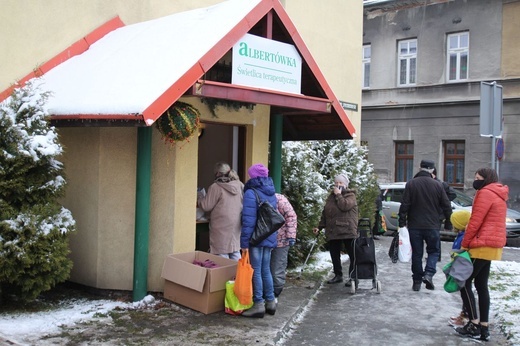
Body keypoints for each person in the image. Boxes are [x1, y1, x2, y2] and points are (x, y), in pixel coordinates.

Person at [456, 168, 508, 342]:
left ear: (486, 179)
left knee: (464, 282)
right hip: (492, 246)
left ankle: (474, 323)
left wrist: (464, 244)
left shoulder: (484, 193)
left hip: (481, 244)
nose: (475, 181)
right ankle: (484, 328)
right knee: (481, 285)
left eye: (477, 178)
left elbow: (475, 222)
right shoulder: (498, 194)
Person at [398, 159, 453, 291]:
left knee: (417, 253)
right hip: (433, 225)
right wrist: (448, 223)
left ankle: (417, 281)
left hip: (414, 225)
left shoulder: (411, 184)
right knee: (434, 251)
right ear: (432, 170)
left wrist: (401, 222)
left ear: (419, 167)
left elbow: (404, 204)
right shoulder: (438, 185)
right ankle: (429, 273)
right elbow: (447, 206)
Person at [240, 163, 278, 318]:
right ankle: (270, 302)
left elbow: (248, 221)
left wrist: (244, 243)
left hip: (256, 237)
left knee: (255, 270)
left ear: (253, 176)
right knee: (265, 269)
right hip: (268, 236)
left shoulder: (251, 192)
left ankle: (258, 304)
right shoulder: (271, 192)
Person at [313, 173, 358, 286]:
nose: (338, 185)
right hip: (334, 229)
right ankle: (338, 275)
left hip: (347, 229)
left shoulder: (350, 196)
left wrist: (338, 195)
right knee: (334, 253)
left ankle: (353, 277)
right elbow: (326, 212)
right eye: (336, 183)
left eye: (341, 183)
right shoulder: (331, 197)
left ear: (346, 185)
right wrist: (319, 227)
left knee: (352, 254)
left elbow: (345, 206)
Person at [197, 162, 243, 260]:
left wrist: (200, 198)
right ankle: (237, 275)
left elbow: (206, 206)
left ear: (217, 173)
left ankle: (224, 275)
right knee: (235, 251)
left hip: (221, 225)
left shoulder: (216, 187)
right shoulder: (239, 185)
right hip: (236, 224)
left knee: (221, 255)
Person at [270, 193, 297, 300]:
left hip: (281, 240)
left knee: (277, 267)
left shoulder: (279, 198)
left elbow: (291, 216)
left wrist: (290, 236)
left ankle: (276, 291)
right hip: (268, 239)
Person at [447, 209, 471, 327]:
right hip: (461, 266)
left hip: (463, 268)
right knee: (464, 291)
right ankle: (464, 314)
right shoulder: (462, 235)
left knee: (465, 291)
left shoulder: (464, 237)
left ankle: (465, 316)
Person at [432, 167, 457, 262]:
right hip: (435, 213)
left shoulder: (441, 184)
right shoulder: (437, 183)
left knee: (435, 235)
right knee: (434, 235)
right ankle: (435, 254)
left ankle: (437, 255)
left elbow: (453, 194)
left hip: (437, 214)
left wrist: (443, 201)